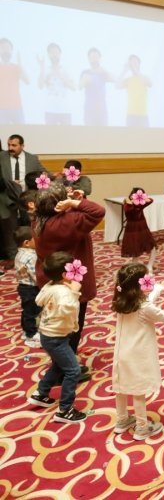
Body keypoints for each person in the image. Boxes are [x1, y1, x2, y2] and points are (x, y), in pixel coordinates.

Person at [111, 262, 164, 439]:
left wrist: (158, 290)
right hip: (137, 355)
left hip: (120, 354)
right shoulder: (143, 307)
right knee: (139, 391)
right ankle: (142, 427)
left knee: (121, 389)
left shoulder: (121, 299)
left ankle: (122, 419)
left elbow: (146, 303)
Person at [34, 183, 104, 381]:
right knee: (71, 327)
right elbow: (98, 211)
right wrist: (76, 202)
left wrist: (74, 201)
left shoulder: (39, 220)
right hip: (70, 283)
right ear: (59, 206)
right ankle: (64, 369)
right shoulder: (67, 222)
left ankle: (64, 364)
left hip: (51, 280)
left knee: (58, 324)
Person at [26, 251, 86, 423]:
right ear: (64, 275)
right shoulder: (65, 293)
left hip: (48, 335)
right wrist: (73, 293)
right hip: (56, 338)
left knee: (59, 365)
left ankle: (41, 393)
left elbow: (38, 300)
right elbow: (67, 309)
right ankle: (65, 410)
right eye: (73, 269)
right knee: (73, 370)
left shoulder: (50, 285)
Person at [1, 134, 46, 262]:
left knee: (29, 228)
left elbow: (42, 172)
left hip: (26, 198)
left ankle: (31, 257)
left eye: (14, 145)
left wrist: (54, 176)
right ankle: (13, 258)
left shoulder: (32, 158)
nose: (10, 148)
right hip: (7, 199)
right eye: (9, 145)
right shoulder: (1, 157)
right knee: (9, 230)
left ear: (22, 146)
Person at [15, 226, 41, 347]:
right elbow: (35, 274)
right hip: (30, 288)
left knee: (27, 310)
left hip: (23, 287)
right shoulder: (30, 256)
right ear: (26, 243)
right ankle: (31, 334)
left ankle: (26, 330)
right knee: (32, 311)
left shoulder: (19, 253)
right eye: (35, 239)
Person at [37, 43, 75, 125]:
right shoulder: (46, 70)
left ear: (60, 54)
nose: (54, 55)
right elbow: (40, 86)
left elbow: (73, 87)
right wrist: (41, 68)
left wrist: (61, 75)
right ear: (48, 55)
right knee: (50, 136)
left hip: (65, 110)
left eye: (56, 52)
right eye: (52, 53)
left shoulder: (66, 69)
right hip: (50, 110)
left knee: (67, 135)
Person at [121, 187, 156, 273]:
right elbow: (128, 209)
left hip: (143, 228)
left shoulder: (140, 204)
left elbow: (151, 200)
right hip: (133, 230)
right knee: (135, 251)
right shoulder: (128, 205)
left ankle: (150, 266)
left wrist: (144, 199)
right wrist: (128, 201)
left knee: (153, 247)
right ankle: (135, 270)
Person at [79, 48, 114, 126]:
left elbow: (115, 79)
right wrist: (85, 80)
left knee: (103, 136)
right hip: (89, 111)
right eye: (92, 57)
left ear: (100, 58)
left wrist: (104, 71)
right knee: (89, 136)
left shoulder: (103, 73)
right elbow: (80, 86)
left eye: (96, 57)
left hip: (102, 111)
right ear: (89, 59)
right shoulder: (86, 73)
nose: (94, 59)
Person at [0, 38, 29, 124]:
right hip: (1, 109)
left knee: (21, 134)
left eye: (8, 48)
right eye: (3, 48)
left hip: (16, 108)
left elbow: (27, 81)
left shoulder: (16, 67)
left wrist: (20, 64)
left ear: (11, 51)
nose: (6, 51)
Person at [118, 54, 152, 127]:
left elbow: (150, 84)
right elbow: (117, 86)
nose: (133, 64)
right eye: (131, 62)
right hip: (130, 116)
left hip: (143, 115)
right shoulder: (129, 80)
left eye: (135, 62)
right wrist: (124, 71)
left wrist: (135, 70)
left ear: (139, 64)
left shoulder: (144, 77)